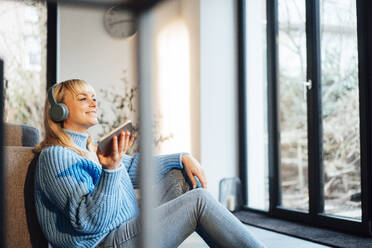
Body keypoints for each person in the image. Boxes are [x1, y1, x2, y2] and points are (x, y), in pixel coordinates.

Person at [33, 79, 265, 248]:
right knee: (198, 201)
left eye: (94, 98)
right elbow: (88, 221)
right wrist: (111, 170)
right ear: (58, 110)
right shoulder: (57, 155)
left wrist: (182, 157)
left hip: (124, 228)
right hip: (105, 242)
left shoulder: (90, 149)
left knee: (179, 176)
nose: (93, 104)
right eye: (83, 99)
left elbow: (134, 167)